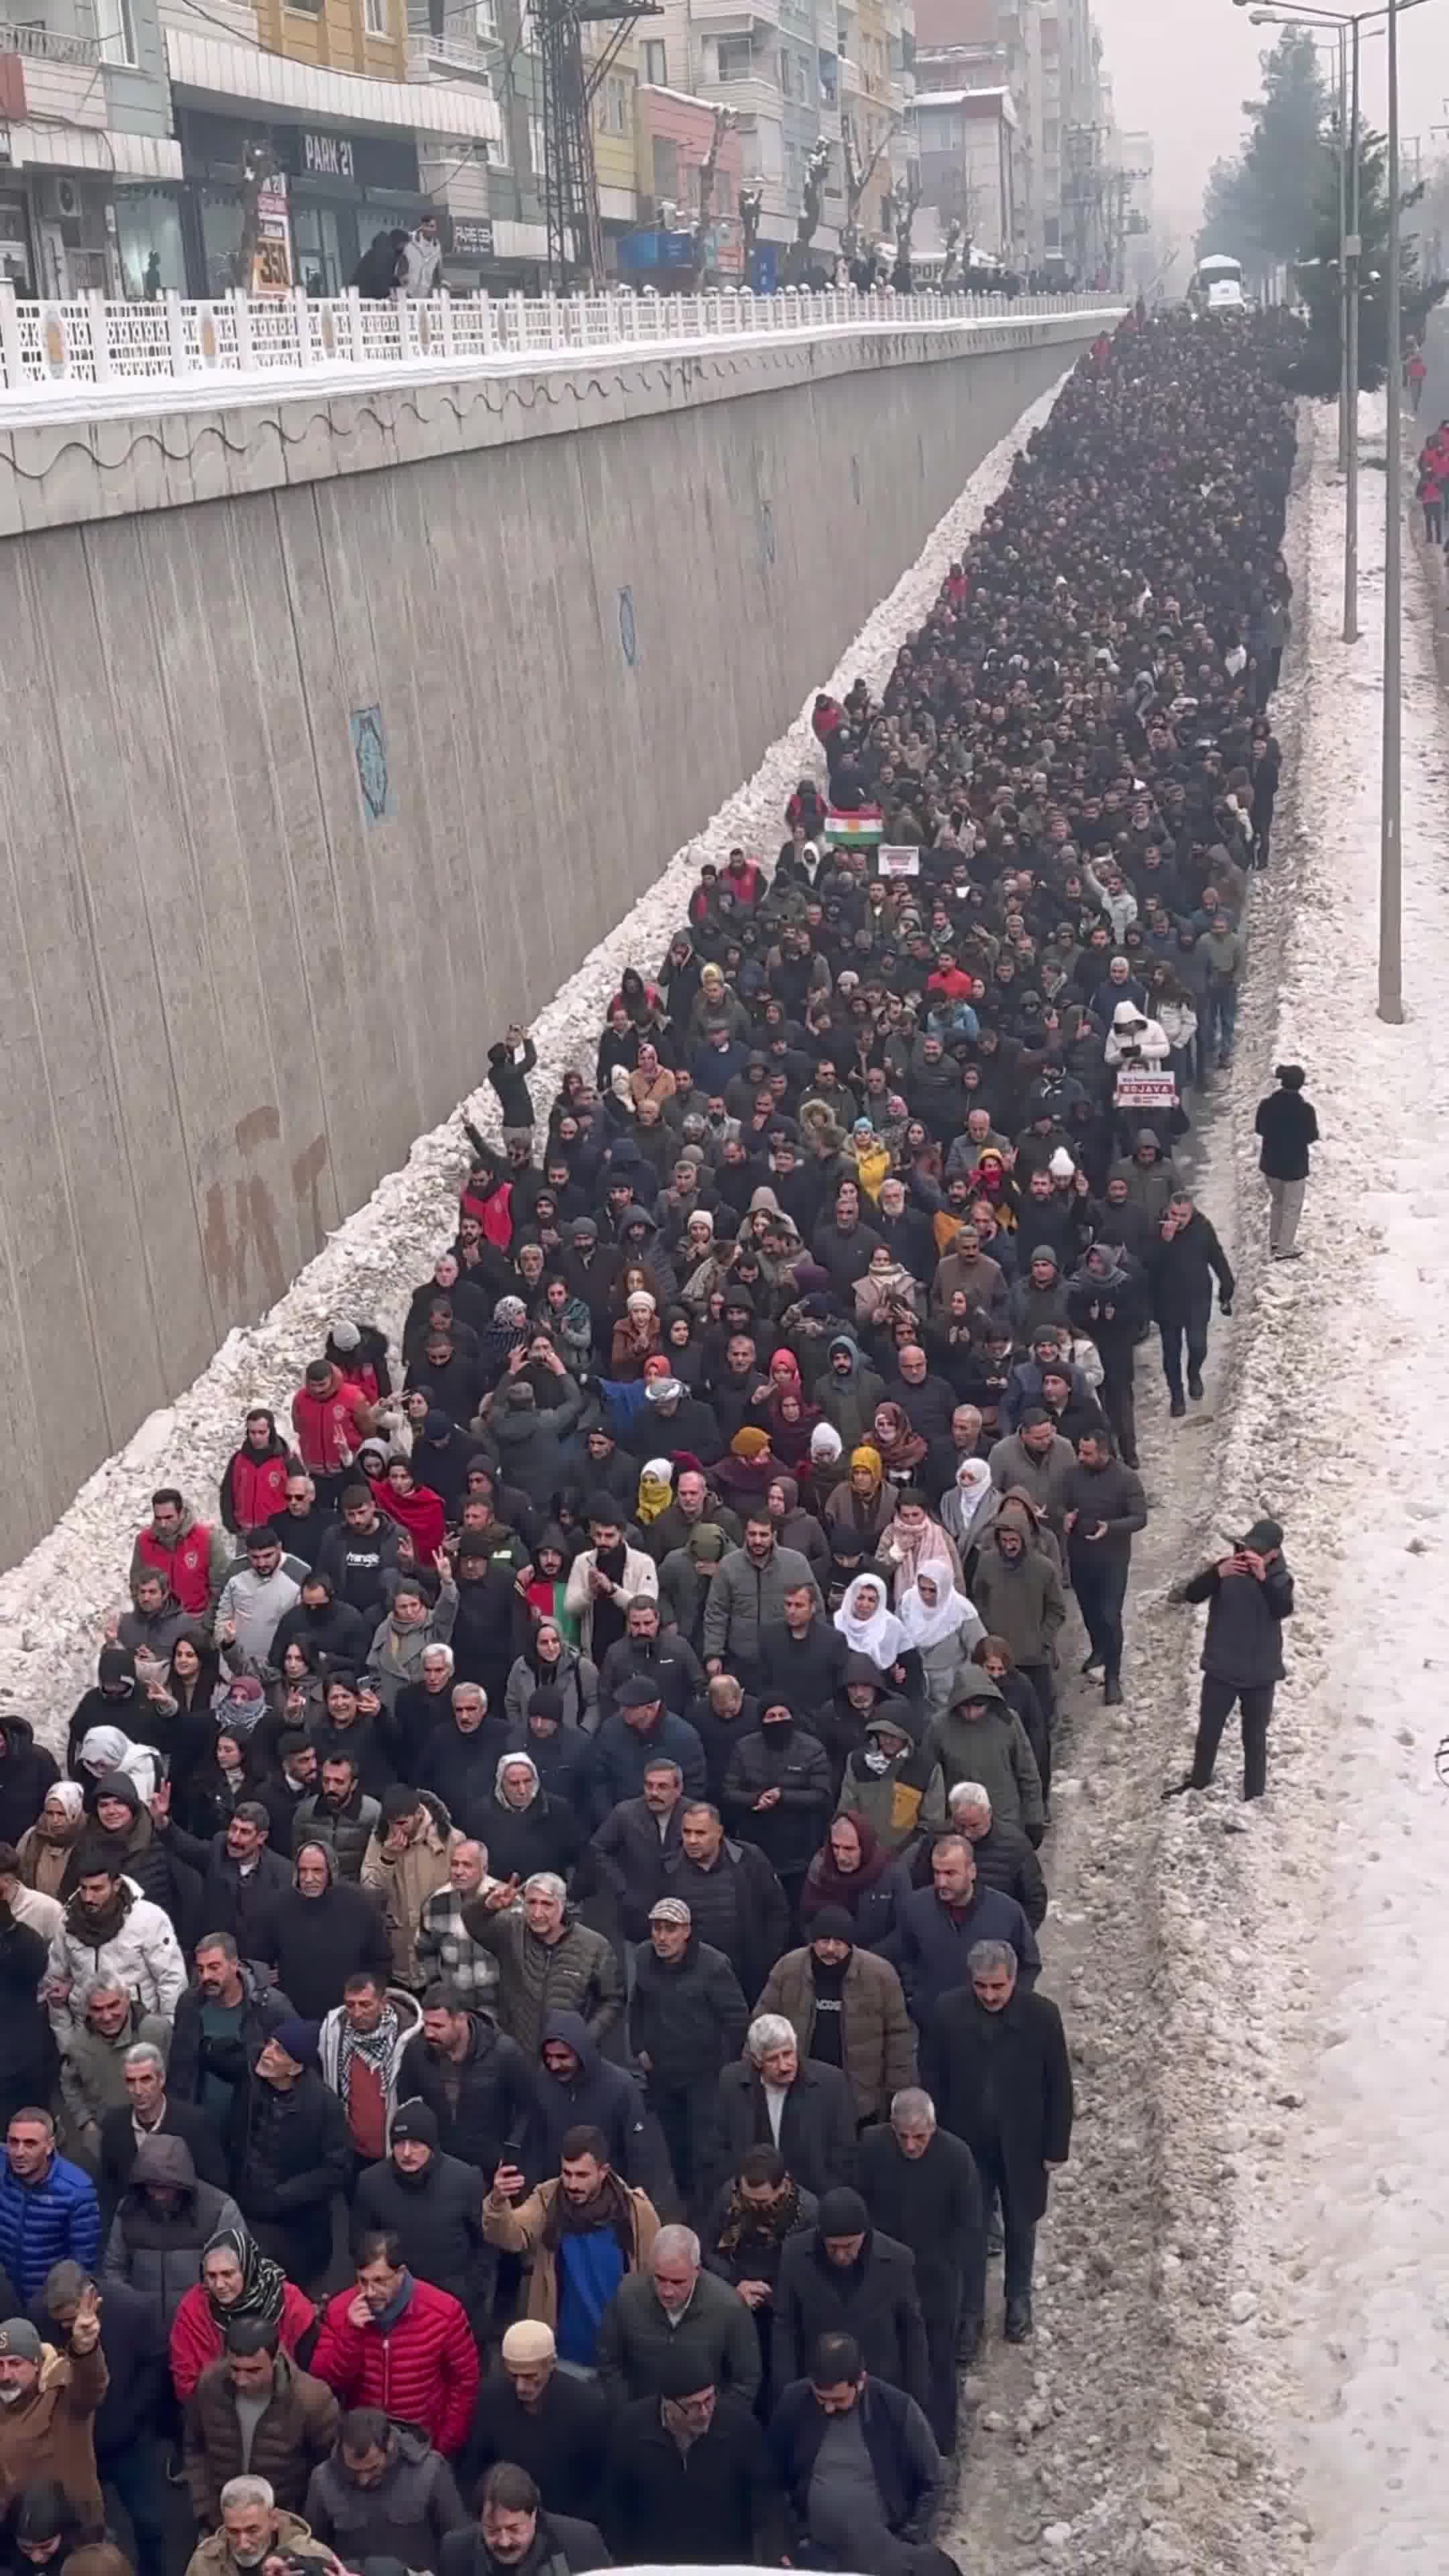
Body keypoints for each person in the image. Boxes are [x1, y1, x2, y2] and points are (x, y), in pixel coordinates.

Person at [921, 1939, 1073, 2344]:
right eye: (982, 1986)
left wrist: (1056, 2146)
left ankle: (1018, 2299)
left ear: (1013, 1981)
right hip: (967, 2144)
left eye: (998, 1987)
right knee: (969, 2229)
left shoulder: (1042, 2016)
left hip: (1023, 2143)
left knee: (1021, 2223)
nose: (989, 1995)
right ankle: (970, 2313)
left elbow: (1059, 2084)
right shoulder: (948, 2012)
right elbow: (932, 2078)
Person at [767, 2330, 951, 2576]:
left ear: (861, 2380)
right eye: (821, 2399)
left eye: (839, 2399)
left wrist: (910, 2544)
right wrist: (790, 2536)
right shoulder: (793, 2402)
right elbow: (771, 2476)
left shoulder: (897, 2409)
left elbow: (933, 2481)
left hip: (885, 2560)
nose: (829, 2408)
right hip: (815, 2557)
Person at [857, 2089, 983, 2436]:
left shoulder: (957, 2157)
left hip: (937, 2278)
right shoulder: (872, 2147)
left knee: (938, 2360)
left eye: (920, 2138)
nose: (911, 2146)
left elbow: (971, 2230)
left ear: (934, 2129)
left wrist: (970, 2305)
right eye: (904, 2137)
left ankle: (940, 2442)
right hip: (884, 2273)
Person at [481, 2124, 659, 2365]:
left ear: (603, 2171)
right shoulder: (548, 2200)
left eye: (582, 2175)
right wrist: (498, 2201)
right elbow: (511, 2236)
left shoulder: (636, 2212)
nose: (573, 2184)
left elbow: (656, 2279)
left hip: (620, 2356)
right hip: (562, 2354)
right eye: (567, 2173)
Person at [602, 2347, 785, 2565]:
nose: (705, 2412)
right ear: (668, 2405)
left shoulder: (740, 2427)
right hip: (654, 2562)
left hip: (723, 2561)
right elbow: (615, 2502)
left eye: (709, 2400)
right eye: (693, 2406)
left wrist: (775, 2548)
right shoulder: (631, 2429)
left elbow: (765, 2496)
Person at [311, 2229, 478, 2457]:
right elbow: (325, 2382)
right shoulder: (342, 2311)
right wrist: (350, 2335)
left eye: (380, 2281)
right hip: (363, 2443)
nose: (370, 2292)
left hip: (421, 2444)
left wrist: (444, 2447)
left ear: (401, 2273)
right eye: (363, 2281)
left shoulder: (444, 2312)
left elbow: (464, 2384)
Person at [1163, 1517, 1294, 1801]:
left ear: (1274, 1554)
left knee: (1255, 1737)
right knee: (1208, 1732)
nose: (1251, 1555)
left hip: (1261, 1674)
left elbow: (1282, 1609)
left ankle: (1255, 1795)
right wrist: (1216, 1574)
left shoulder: (1280, 1580)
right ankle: (1198, 1782)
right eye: (1249, 1548)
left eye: (1259, 1552)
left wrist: (1263, 1580)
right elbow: (1193, 1595)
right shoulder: (1226, 1569)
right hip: (1221, 1667)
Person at [628, 1897, 747, 2211]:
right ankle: (687, 2206)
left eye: (670, 1929)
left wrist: (723, 2066)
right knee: (675, 2147)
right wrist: (638, 2048)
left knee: (706, 2152)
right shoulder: (642, 1958)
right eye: (657, 1928)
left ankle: (711, 2214)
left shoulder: (714, 1965)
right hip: (663, 2074)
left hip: (703, 2076)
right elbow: (637, 2006)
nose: (662, 1937)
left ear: (687, 1931)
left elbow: (736, 2020)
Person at [771, 2187, 930, 2412]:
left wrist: (918, 2397)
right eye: (833, 2247)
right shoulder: (794, 2255)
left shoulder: (898, 2261)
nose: (841, 2255)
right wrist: (785, 2393)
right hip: (819, 2392)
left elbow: (912, 2331)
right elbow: (785, 2327)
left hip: (879, 2389)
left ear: (865, 2236)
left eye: (849, 2246)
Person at [755, 1912, 916, 2127]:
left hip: (860, 2098)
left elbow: (899, 2038)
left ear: (850, 1944)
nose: (830, 1949)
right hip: (798, 2090)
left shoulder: (881, 1975)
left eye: (838, 1942)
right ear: (812, 1942)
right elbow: (761, 2026)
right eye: (823, 1941)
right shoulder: (788, 1969)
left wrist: (898, 2096)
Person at [182, 2316, 339, 2526]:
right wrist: (204, 2508)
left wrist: (301, 2519)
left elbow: (328, 2468)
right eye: (235, 2369)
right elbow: (194, 2446)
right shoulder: (210, 2386)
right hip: (222, 2520)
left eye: (253, 2371)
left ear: (275, 2359)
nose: (242, 2380)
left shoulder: (310, 2398)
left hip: (284, 2523)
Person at [596, 2222, 761, 2410]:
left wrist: (714, 2425)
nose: (667, 2292)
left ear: (697, 2270)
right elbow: (609, 2362)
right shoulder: (627, 2295)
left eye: (677, 2282)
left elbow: (745, 2381)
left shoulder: (730, 2306)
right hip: (639, 2424)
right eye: (660, 2279)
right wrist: (627, 2414)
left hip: (706, 2427)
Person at [236, 2021, 350, 2288]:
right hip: (250, 2215)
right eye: (271, 2044)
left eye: (279, 2051)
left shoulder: (324, 2105)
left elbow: (337, 2169)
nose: (267, 2053)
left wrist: (284, 2195)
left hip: (300, 2229)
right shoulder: (252, 2086)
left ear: (296, 2067)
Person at [460, 2319, 609, 2521]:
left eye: (531, 2376)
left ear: (552, 2364)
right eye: (514, 2376)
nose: (521, 2387)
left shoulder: (587, 2408)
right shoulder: (490, 2399)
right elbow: (473, 2468)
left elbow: (598, 2484)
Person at [464, 1871, 624, 2057]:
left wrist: (585, 2039)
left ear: (562, 1906)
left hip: (568, 2059)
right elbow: (472, 1921)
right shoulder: (510, 1930)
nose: (537, 1913)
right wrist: (487, 1906)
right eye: (532, 1903)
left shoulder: (595, 1945)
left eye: (547, 1904)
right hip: (517, 2057)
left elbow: (613, 2000)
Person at [882, 1835, 1038, 2019]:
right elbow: (903, 1957)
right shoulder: (915, 1908)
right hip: (933, 2024)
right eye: (937, 1872)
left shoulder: (1006, 1911)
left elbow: (1029, 1964)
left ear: (971, 1871)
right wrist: (915, 1998)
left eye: (950, 1874)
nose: (941, 1882)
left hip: (990, 2023)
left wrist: (1007, 2003)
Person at [100, 2133, 242, 2334]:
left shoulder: (220, 2209)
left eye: (165, 2187)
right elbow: (114, 2269)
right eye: (151, 2185)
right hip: (142, 2329)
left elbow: (239, 2274)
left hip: (201, 2329)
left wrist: (209, 2316)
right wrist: (131, 2308)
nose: (157, 2194)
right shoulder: (129, 2209)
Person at [306, 2404, 469, 2568]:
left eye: (372, 2468)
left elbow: (458, 2544)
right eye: (354, 2470)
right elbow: (314, 2551)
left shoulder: (431, 2471)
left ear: (390, 2445)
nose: (363, 2479)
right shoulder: (322, 2480)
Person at [170, 2226, 319, 2403]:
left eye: (227, 2274)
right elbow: (186, 2381)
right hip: (213, 2409)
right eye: (211, 2276)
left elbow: (311, 2372)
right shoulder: (194, 2307)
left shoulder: (289, 2300)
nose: (219, 2285)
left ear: (248, 2268)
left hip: (285, 2407)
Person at [0, 2288, 107, 2534]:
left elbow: (92, 2385)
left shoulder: (62, 2393)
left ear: (37, 2363)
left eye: (16, 2364)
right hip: (17, 2536)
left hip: (72, 2531)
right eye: (0, 2365)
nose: (6, 2375)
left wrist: (85, 2348)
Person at [715, 2017, 856, 2202]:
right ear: (757, 2061)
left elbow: (844, 2151)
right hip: (751, 2200)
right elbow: (719, 2145)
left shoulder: (831, 2083)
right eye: (773, 2059)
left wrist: (826, 2200)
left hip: (813, 2201)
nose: (784, 2066)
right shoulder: (731, 2081)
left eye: (788, 2054)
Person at [1060, 1430, 1148, 1706]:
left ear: (1104, 1453)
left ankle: (1113, 1677)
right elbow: (1059, 1504)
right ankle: (1098, 1648)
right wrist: (1065, 1516)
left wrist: (1111, 1528)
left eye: (1087, 1453)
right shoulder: (1072, 1475)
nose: (1081, 1457)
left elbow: (1140, 1518)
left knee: (1111, 1617)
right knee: (1089, 1610)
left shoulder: (1125, 1479)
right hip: (1080, 1557)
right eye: (1080, 1451)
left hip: (1112, 1560)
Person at [1144, 1189, 1234, 1419]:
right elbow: (1147, 1264)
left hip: (1196, 1298)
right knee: (1171, 1352)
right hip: (1167, 1301)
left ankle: (1194, 1373)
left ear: (1191, 1213)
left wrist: (1227, 1284)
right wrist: (1165, 1241)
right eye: (1174, 1214)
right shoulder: (1157, 1228)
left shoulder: (1202, 1227)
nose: (1177, 1220)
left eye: (1183, 1216)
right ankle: (1177, 1396)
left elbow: (1216, 1255)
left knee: (1198, 1345)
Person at [438, 2459, 609, 2576]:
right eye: (492, 2530)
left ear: (534, 2514)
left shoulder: (582, 2545)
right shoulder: (455, 2553)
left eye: (514, 2529)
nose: (504, 2541)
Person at [0, 2116, 99, 2305]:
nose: (19, 2152)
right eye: (13, 2142)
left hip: (51, 2303)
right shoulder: (2, 2169)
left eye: (30, 2144)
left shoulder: (77, 2189)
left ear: (49, 2145)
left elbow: (82, 2263)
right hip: (5, 2297)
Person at [184, 2471, 335, 2576]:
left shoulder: (312, 2557)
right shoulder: (205, 2561)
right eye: (233, 2531)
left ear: (274, 2519)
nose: (243, 2544)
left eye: (253, 2530)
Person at [1254, 1062, 1318, 1260]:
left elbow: (1260, 1129)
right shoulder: (1306, 1110)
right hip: (1295, 1167)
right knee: (1292, 1207)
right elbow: (1311, 1136)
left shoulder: (1266, 1105)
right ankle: (1285, 1248)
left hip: (1271, 1165)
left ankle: (1274, 1241)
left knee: (1278, 1202)